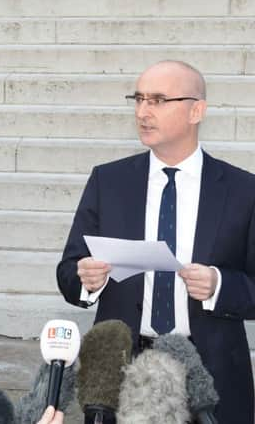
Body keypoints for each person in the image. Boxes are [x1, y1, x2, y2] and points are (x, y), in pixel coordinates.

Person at [57, 60, 255, 423]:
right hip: (122, 370)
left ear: (196, 110)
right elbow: (69, 270)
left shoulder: (243, 190)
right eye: (139, 99)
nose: (144, 112)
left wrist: (219, 286)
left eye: (159, 100)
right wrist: (85, 279)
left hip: (211, 376)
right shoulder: (109, 181)